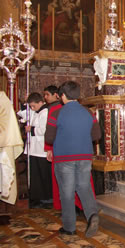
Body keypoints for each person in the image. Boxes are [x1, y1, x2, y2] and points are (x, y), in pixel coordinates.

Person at [45, 81, 101, 237]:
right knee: (84, 186)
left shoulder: (56, 113)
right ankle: (92, 215)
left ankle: (69, 227)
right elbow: (97, 135)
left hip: (64, 157)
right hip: (84, 156)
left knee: (67, 191)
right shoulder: (89, 113)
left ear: (62, 95)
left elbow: (49, 138)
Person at [25, 93, 52, 209]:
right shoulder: (38, 112)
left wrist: (31, 129)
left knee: (42, 176)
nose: (32, 108)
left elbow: (43, 130)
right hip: (35, 149)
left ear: (40, 102)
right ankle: (38, 197)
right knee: (37, 176)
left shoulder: (45, 112)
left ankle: (45, 199)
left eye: (33, 106)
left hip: (41, 149)